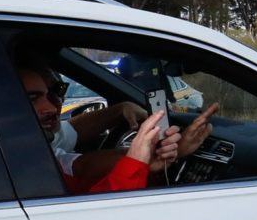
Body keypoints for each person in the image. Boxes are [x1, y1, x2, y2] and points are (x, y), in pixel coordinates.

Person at [19, 61, 177, 192]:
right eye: (32, 98)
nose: (54, 106)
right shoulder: (20, 162)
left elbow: (72, 133)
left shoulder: (31, 140)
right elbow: (82, 169)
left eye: (58, 90)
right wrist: (144, 158)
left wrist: (121, 109)